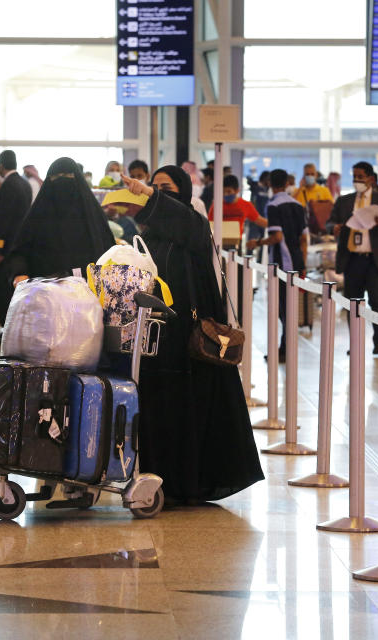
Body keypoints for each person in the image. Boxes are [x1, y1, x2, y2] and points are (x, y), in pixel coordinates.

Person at [119, 169, 265, 503]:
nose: (158, 193)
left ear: (182, 193)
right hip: (154, 339)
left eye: (165, 188)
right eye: (155, 188)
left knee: (188, 408)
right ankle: (157, 479)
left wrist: (149, 195)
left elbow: (186, 226)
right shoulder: (148, 235)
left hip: (188, 343)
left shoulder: (195, 226)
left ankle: (188, 484)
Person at [2, 157, 115, 295]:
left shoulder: (93, 217)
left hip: (89, 297)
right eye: (56, 177)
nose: (62, 182)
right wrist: (19, 274)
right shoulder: (37, 217)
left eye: (68, 176)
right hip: (44, 296)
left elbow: (110, 254)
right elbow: (19, 252)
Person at [327, 161, 378, 355]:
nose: (357, 180)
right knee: (353, 302)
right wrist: (333, 228)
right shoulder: (344, 201)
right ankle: (356, 343)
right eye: (354, 176)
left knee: (377, 300)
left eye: (360, 176)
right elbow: (330, 222)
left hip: (375, 259)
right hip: (352, 259)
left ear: (370, 178)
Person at [257, 169, 307, 362]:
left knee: (282, 309)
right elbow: (304, 239)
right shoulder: (297, 205)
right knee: (288, 308)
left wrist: (258, 243)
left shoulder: (273, 206)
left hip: (280, 264)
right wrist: (302, 263)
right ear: (287, 183)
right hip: (296, 261)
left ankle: (285, 349)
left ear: (270, 183)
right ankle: (285, 346)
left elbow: (277, 237)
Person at [0, 150, 33, 324]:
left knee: (3, 288)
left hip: (7, 247)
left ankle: (5, 329)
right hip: (22, 244)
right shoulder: (24, 184)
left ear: (1, 166)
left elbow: (4, 220)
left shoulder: (7, 186)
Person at [207, 174, 263, 245]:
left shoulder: (246, 205)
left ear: (237, 190)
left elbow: (259, 220)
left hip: (237, 242)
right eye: (223, 192)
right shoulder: (217, 206)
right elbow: (209, 225)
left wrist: (276, 224)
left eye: (229, 191)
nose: (226, 194)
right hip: (218, 242)